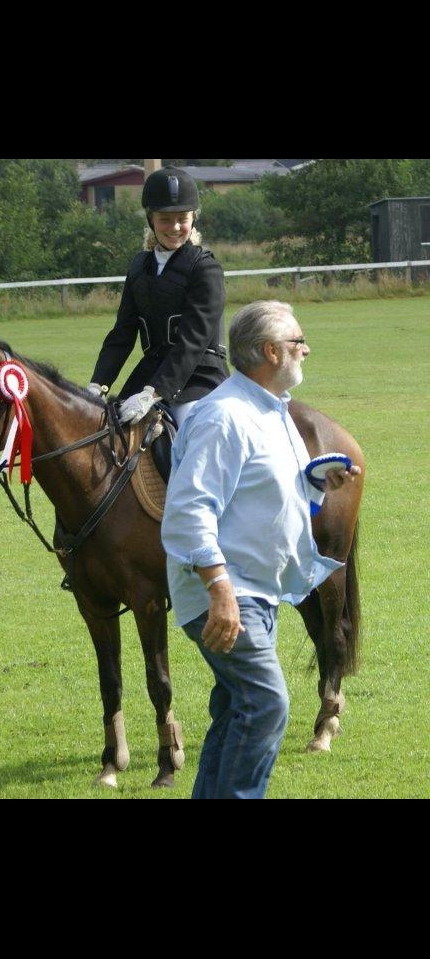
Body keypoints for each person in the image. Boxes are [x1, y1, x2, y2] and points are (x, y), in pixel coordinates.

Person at [161, 300, 362, 799]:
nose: (306, 349)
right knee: (267, 704)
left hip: (258, 590)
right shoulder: (223, 417)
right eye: (298, 342)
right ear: (271, 351)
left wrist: (317, 480)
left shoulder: (270, 410)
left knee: (236, 708)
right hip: (228, 592)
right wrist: (220, 591)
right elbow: (189, 512)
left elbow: (262, 489)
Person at [88, 167, 228, 429]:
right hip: (149, 375)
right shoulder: (139, 267)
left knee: (192, 431)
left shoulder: (205, 268)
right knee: (108, 431)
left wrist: (154, 392)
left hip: (199, 379)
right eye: (165, 219)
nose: (174, 227)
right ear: (151, 219)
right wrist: (97, 385)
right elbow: (122, 334)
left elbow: (193, 341)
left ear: (192, 219)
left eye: (182, 219)